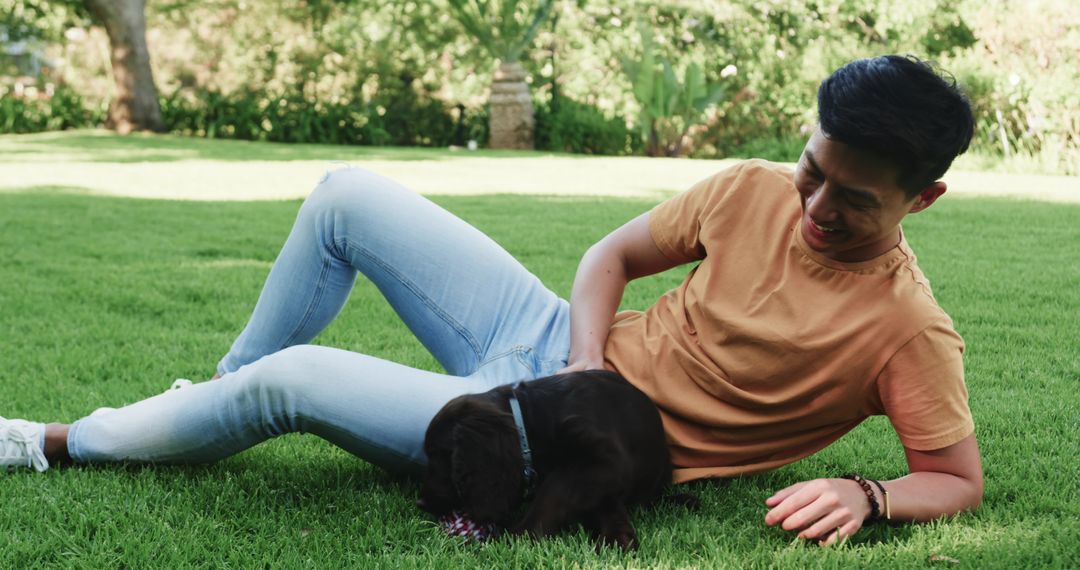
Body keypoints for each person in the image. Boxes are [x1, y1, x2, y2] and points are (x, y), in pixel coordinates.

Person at [1, 54, 981, 545]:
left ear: (923, 199)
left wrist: (869, 493)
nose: (811, 205)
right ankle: (201, 401)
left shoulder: (906, 329)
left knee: (292, 381)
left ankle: (45, 442)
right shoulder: (751, 188)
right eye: (812, 171)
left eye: (849, 201)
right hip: (551, 346)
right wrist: (584, 363)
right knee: (347, 195)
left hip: (560, 439)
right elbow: (608, 257)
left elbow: (955, 475)